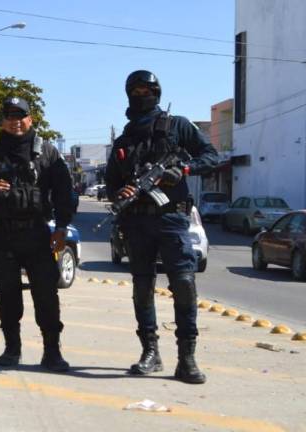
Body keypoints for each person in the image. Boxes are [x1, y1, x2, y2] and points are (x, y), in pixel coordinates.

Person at [105, 70, 217, 384]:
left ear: (157, 92)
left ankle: (187, 358)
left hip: (171, 218)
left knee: (183, 284)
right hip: (137, 222)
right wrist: (120, 193)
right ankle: (150, 352)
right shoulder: (125, 139)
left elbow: (211, 156)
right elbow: (111, 181)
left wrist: (184, 169)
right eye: (136, 91)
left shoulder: (178, 125)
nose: (142, 96)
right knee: (142, 287)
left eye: (147, 90)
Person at [0, 97, 74, 371]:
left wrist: (62, 227)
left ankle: (52, 351)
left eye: (21, 115)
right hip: (4, 235)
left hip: (37, 234)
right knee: (7, 294)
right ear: (2, 121)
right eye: (9, 115)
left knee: (46, 295)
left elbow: (65, 192)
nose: (15, 121)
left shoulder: (48, 154)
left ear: (31, 119)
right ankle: (12, 348)